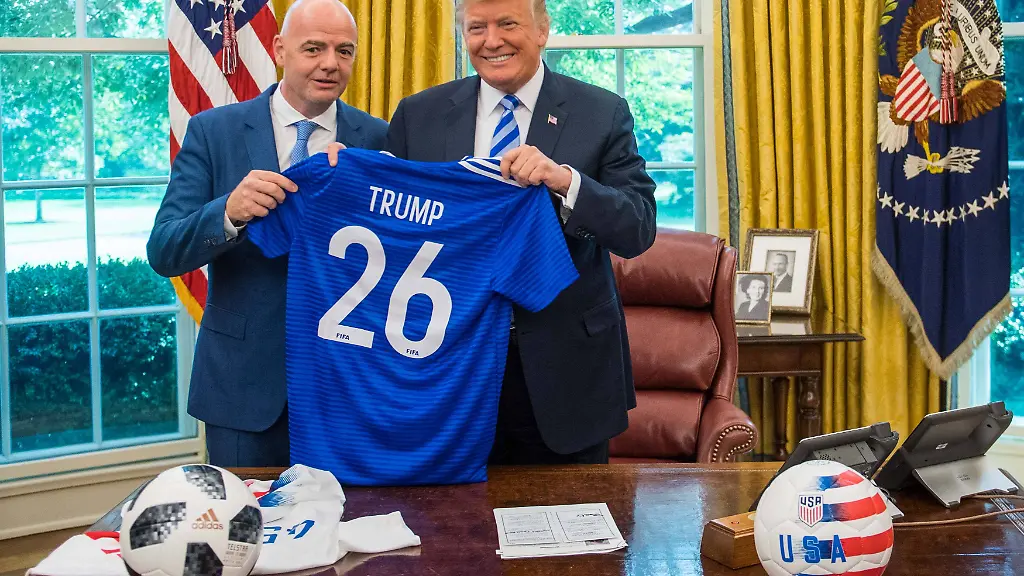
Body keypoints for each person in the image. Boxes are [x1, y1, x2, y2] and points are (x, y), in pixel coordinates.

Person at [386, 0, 657, 464]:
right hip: (446, 373)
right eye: (477, 28)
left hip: (566, 375)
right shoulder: (418, 117)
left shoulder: (601, 112)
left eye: (507, 23)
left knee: (575, 530)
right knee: (451, 531)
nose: (492, 40)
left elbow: (637, 227)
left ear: (542, 30)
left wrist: (565, 181)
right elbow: (390, 226)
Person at [146, 0, 387, 467]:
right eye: (313, 48)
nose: (329, 64)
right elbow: (164, 249)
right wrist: (228, 213)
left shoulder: (377, 139)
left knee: (352, 530)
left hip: (349, 389)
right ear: (278, 50)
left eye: (344, 51)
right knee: (245, 533)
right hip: (243, 390)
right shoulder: (213, 131)